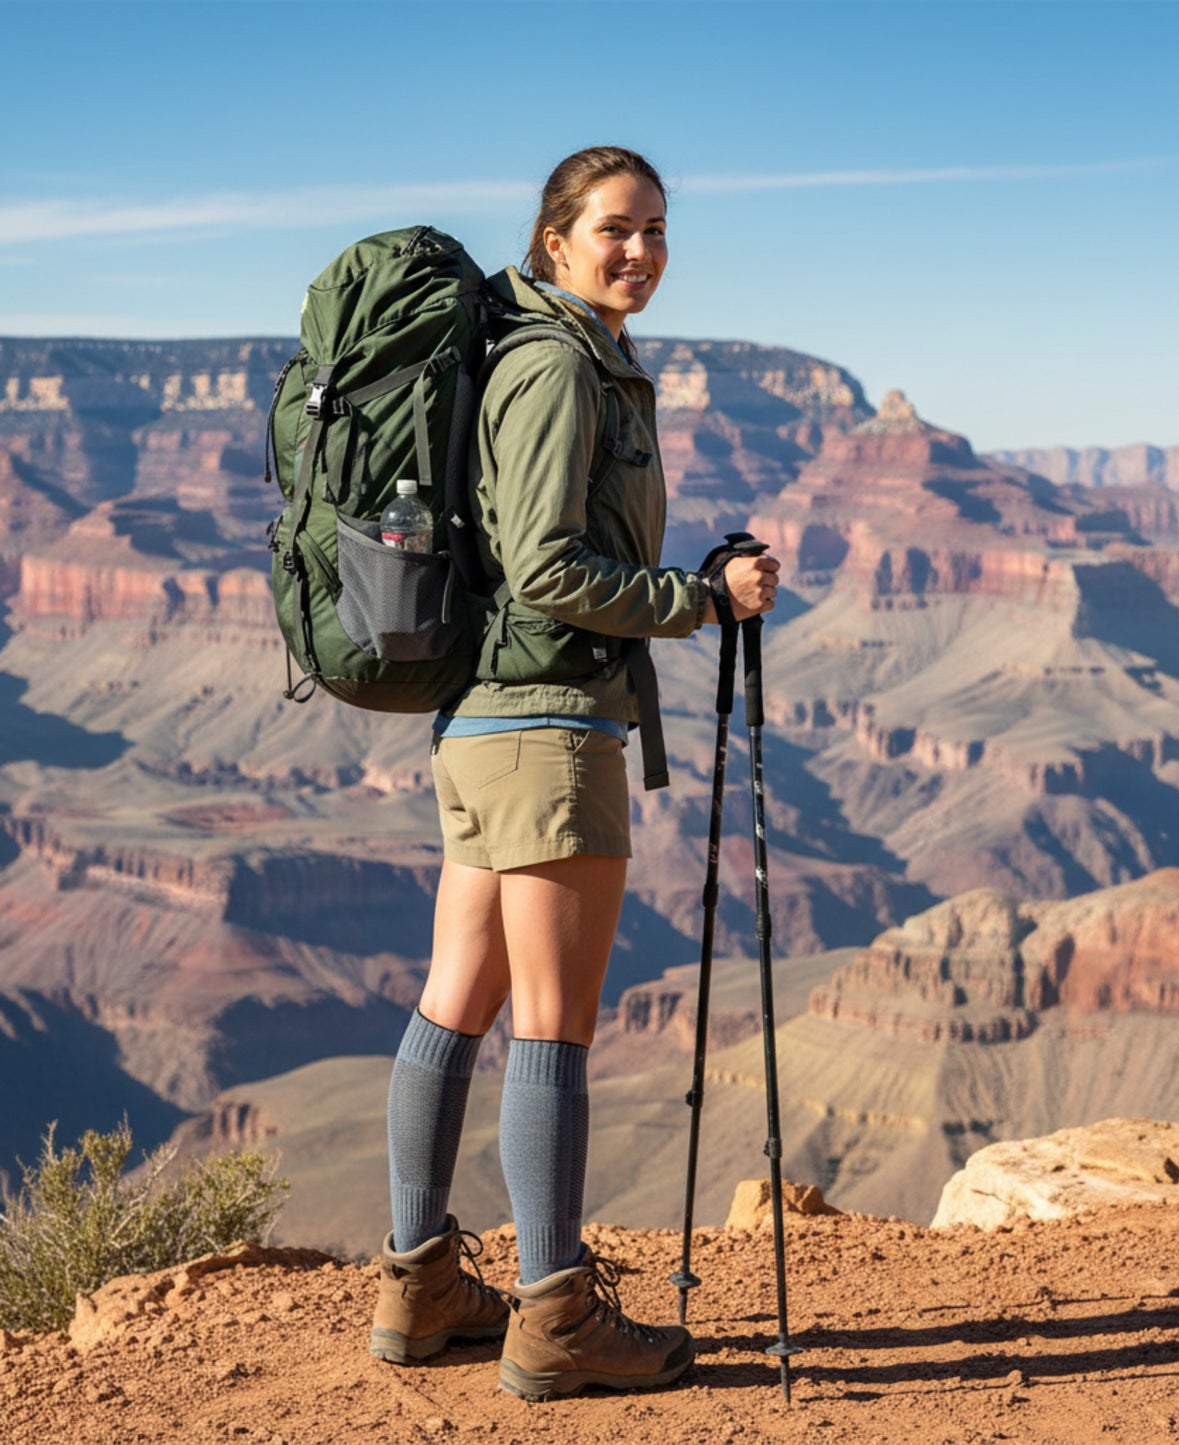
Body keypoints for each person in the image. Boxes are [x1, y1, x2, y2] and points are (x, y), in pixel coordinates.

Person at [369, 145, 780, 1401]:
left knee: (456, 998)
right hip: (546, 728)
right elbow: (545, 564)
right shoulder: (555, 364)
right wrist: (698, 598)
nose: (640, 251)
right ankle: (552, 1314)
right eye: (613, 230)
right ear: (553, 241)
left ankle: (420, 1283)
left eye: (656, 229)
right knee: (549, 1025)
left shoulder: (560, 349)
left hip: (488, 721)